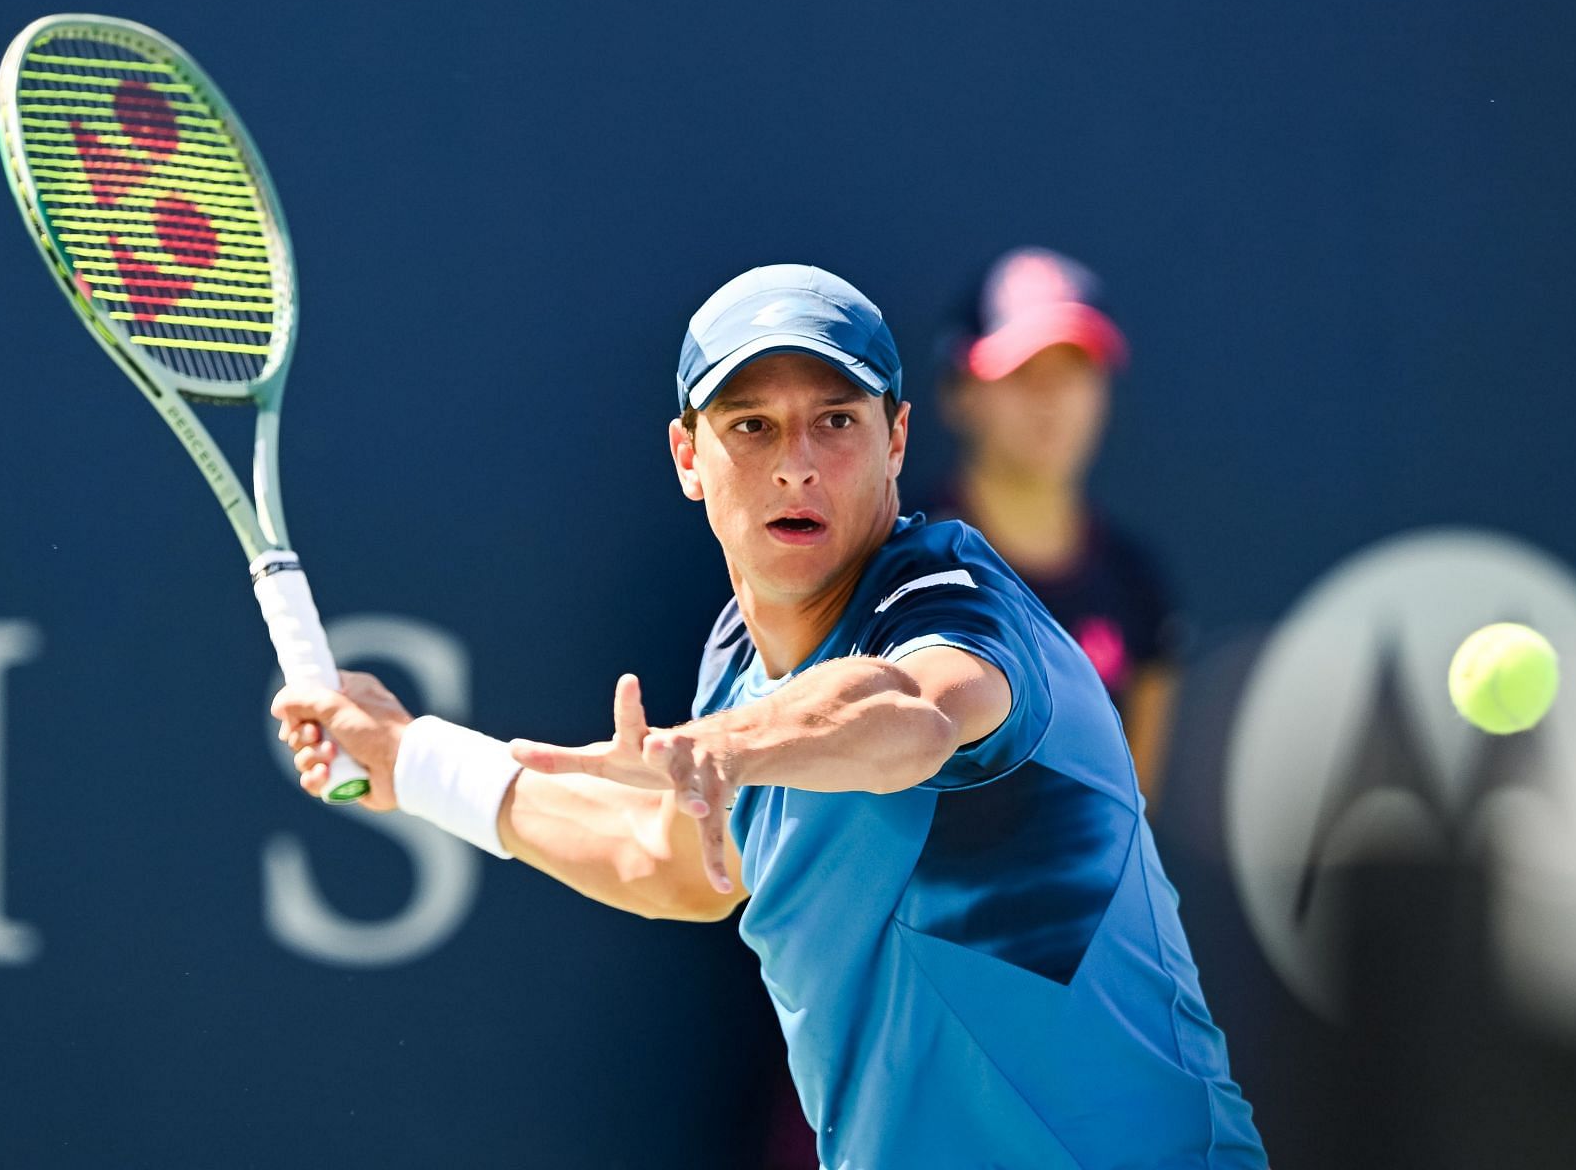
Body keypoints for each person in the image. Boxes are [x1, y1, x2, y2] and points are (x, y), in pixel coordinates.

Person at [273, 264, 1266, 1169]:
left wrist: (722, 748)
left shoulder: (956, 600)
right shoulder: (736, 669)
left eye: (835, 420)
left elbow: (907, 713)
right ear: (687, 456)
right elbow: (668, 860)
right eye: (751, 424)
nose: (797, 462)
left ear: (898, 438)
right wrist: (414, 759)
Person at [936, 247, 1182, 809]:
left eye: (1074, 370)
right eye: (1021, 372)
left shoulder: (1137, 583)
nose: (1050, 400)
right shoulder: (893, 566)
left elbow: (1129, 816)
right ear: (959, 394)